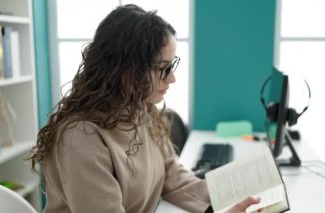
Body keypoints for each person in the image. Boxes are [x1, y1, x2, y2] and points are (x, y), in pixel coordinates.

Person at [28, 4, 264, 213]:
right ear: (128, 73)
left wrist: (237, 194)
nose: (172, 79)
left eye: (172, 66)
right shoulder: (80, 137)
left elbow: (171, 174)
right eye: (163, 68)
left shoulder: (142, 109)